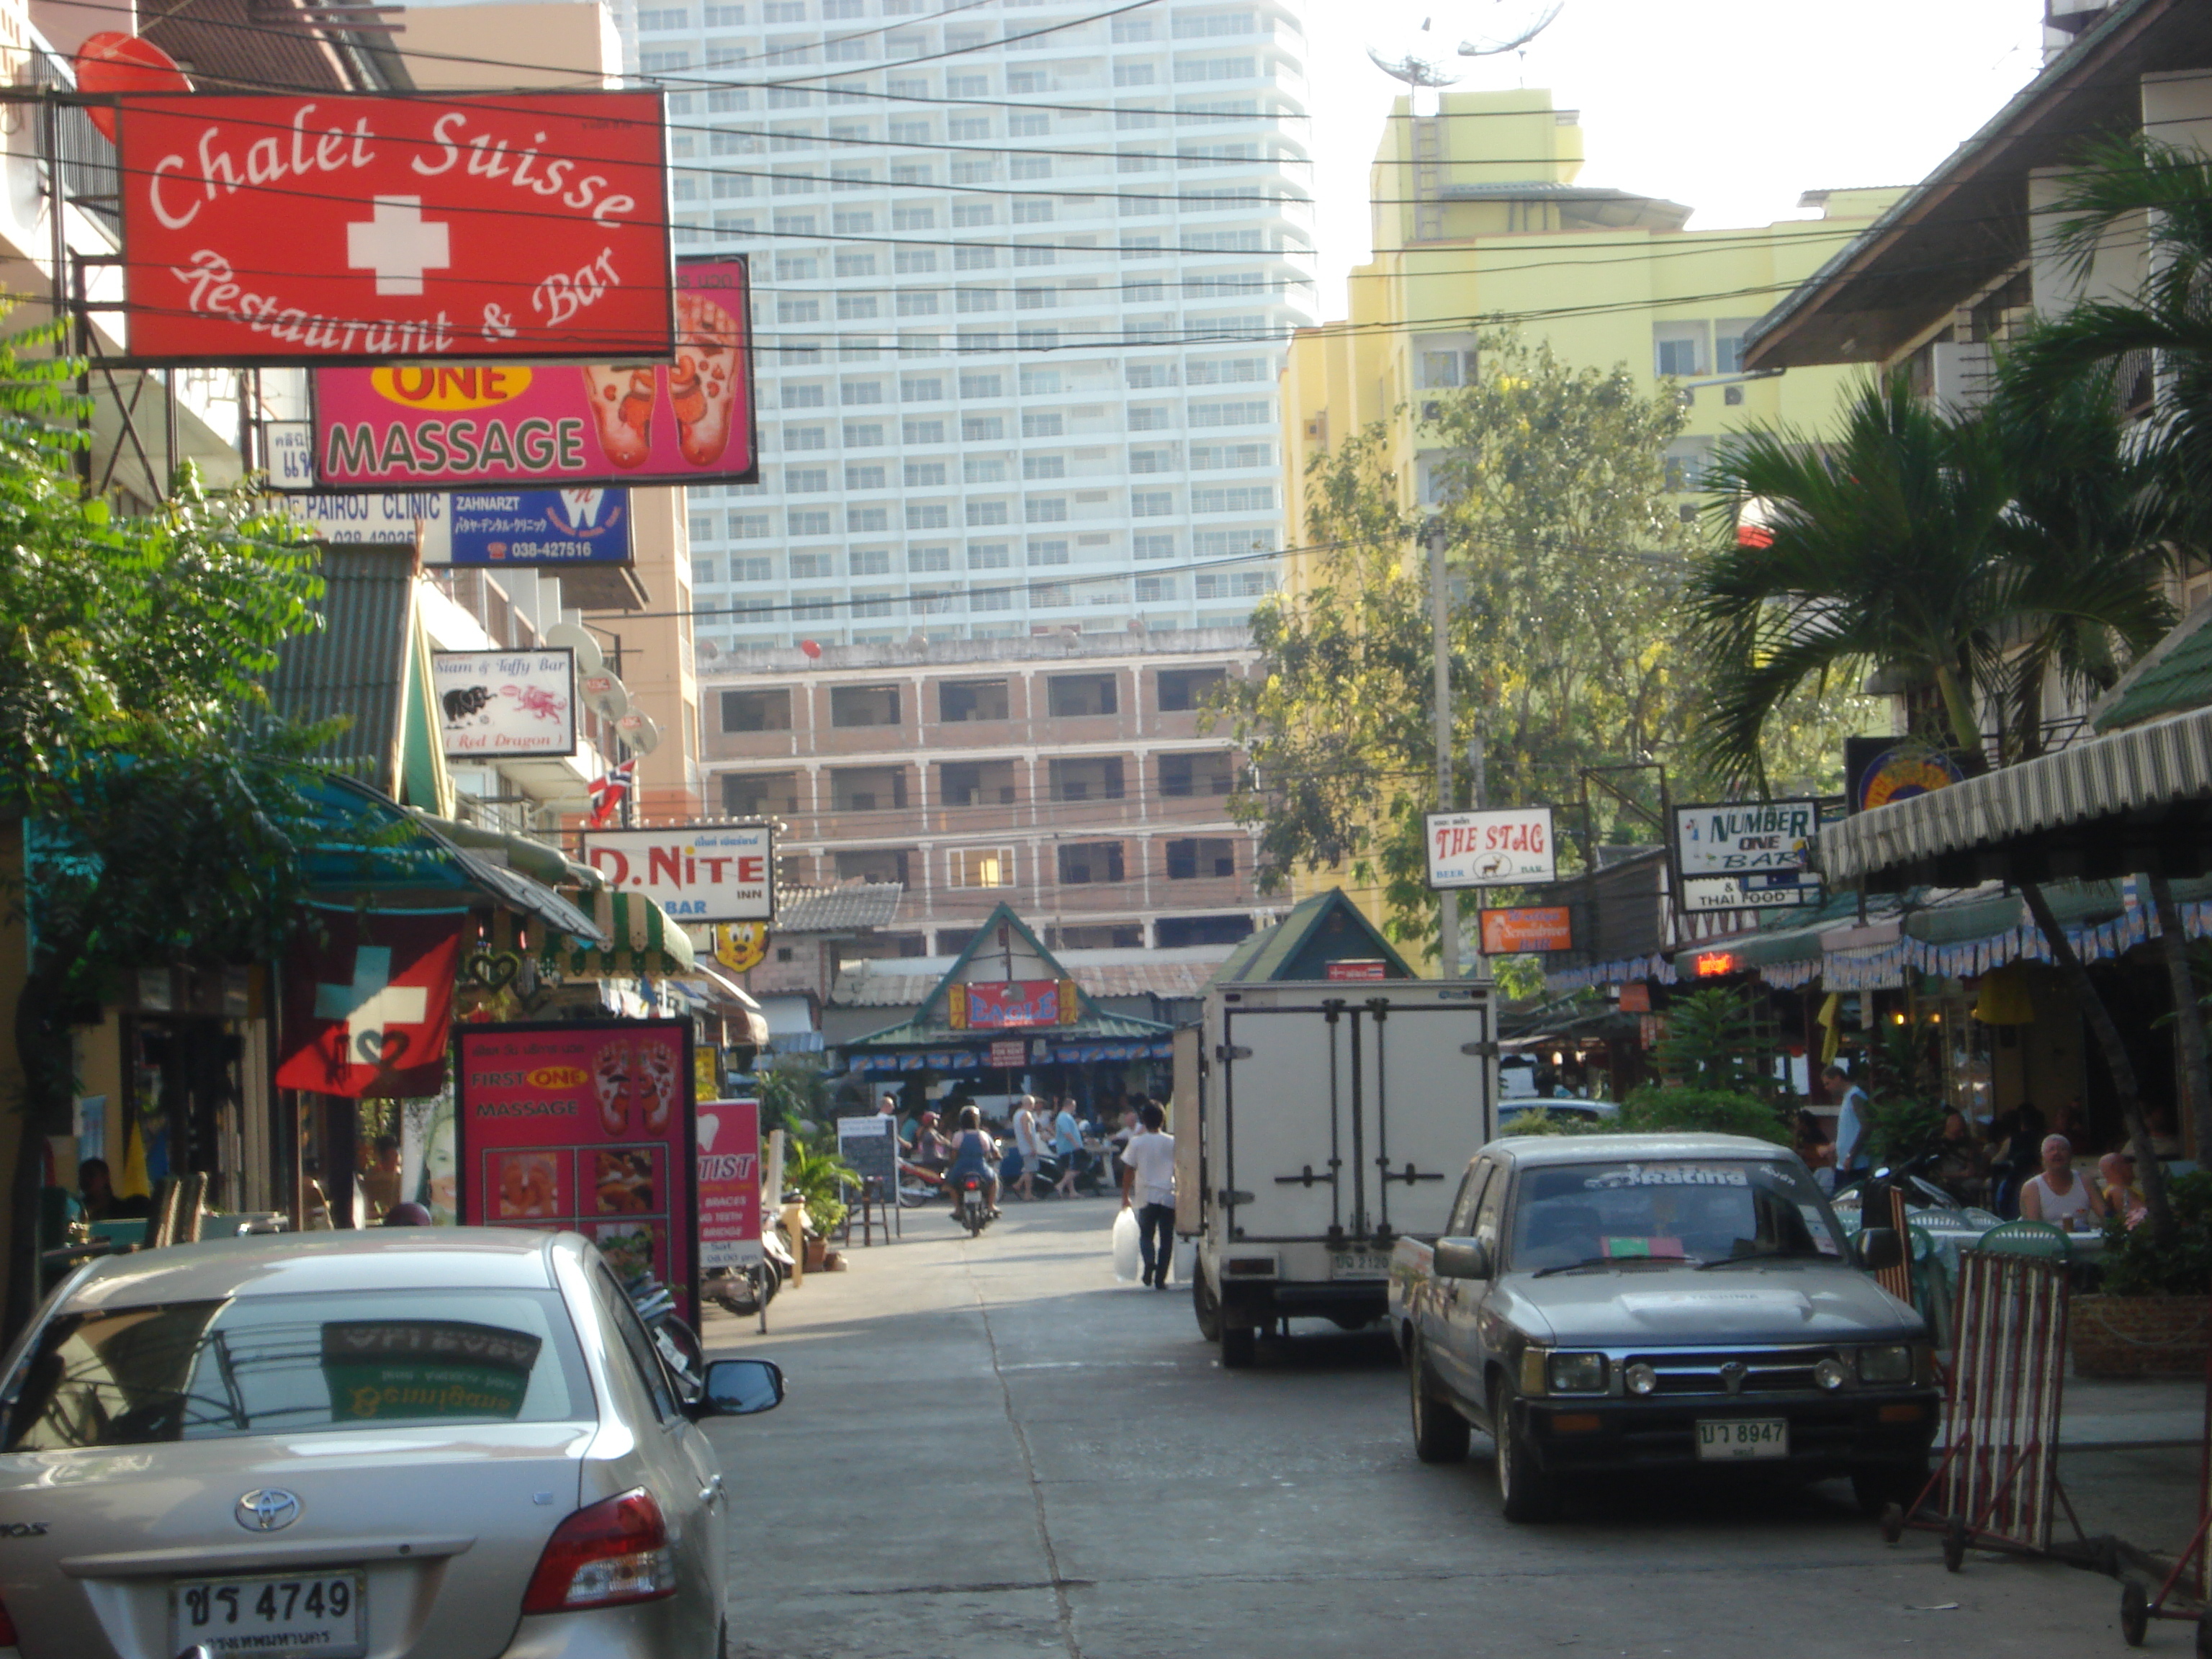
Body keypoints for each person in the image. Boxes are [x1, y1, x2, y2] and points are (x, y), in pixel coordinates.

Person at [1120, 1101, 1177, 1289]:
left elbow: (1128, 1170)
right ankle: (1161, 1279)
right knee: (1167, 1239)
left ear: (1144, 1121)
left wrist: (1125, 1195)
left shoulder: (1137, 1142)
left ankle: (1149, 1262)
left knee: (1146, 1235)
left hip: (1146, 1196)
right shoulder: (1172, 1142)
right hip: (1169, 1195)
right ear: (1163, 1120)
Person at [2020, 1133, 2107, 1231]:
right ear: (2043, 1159)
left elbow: (2106, 1217)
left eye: (2062, 1149)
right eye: (2051, 1150)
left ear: (2071, 1156)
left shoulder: (2086, 1182)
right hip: (2048, 1243)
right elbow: (2033, 1229)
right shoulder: (2032, 1187)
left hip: (2082, 1240)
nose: (2057, 1153)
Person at [943, 1105, 1000, 1220]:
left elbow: (953, 1156)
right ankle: (991, 1206)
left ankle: (958, 1209)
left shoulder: (957, 1136)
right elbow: (994, 1154)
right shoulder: (983, 1135)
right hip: (981, 1168)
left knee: (951, 1184)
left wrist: (951, 1165)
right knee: (994, 1180)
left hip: (961, 1169)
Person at [1825, 1064, 1871, 1190]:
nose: (1827, 1088)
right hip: (1843, 1165)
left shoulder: (1856, 1096)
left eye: (1828, 1083)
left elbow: (1866, 1126)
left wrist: (1851, 1155)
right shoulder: (1846, 1098)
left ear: (1838, 1078)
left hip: (1855, 1165)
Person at [2098, 1149, 2148, 1223]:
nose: (2131, 1165)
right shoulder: (2117, 1191)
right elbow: (2143, 1214)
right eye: (2126, 1162)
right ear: (2115, 1167)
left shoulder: (2122, 1189)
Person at [1793, 1110, 1833, 1192]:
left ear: (1803, 1123)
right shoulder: (1803, 1136)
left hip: (1820, 1168)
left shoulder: (1815, 1135)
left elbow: (1818, 1152)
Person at [1012, 1094, 1042, 1201]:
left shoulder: (1017, 1114)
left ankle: (1018, 1184)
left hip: (1022, 1146)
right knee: (1030, 1170)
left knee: (1029, 1168)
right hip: (1028, 1146)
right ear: (1030, 1104)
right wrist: (1032, 1146)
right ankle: (1028, 1193)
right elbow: (1027, 1131)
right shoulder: (1026, 1115)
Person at [1052, 1097, 1084, 1198]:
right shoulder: (1063, 1117)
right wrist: (1076, 1144)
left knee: (1069, 1170)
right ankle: (1060, 1185)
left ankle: (1072, 1191)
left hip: (1066, 1147)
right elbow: (1067, 1133)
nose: (1074, 1109)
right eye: (1074, 1106)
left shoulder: (1065, 1117)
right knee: (1077, 1168)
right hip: (1069, 1148)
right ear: (1070, 1106)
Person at [76, 1157, 114, 1223]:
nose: (86, 1180)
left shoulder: (122, 1210)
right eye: (83, 1176)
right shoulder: (76, 1210)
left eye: (91, 1175)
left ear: (105, 1177)